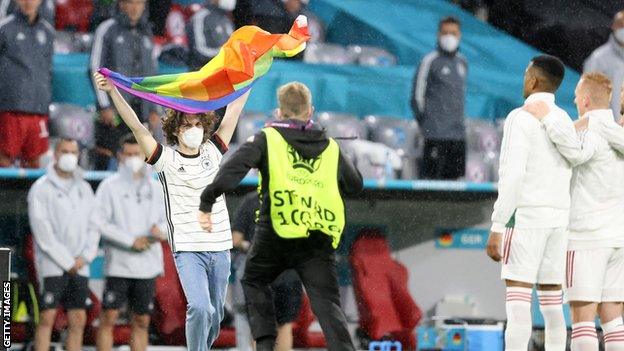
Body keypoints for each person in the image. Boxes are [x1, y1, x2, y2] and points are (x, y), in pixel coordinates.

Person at [198, 82, 363, 351]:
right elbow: (355, 185)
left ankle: (263, 345)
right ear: (310, 111)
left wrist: (207, 201)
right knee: (328, 308)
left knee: (253, 280)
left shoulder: (267, 138)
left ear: (279, 112)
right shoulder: (331, 146)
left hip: (276, 233)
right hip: (316, 238)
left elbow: (232, 171)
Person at [93, 71, 250, 351]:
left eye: (197, 124)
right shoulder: (165, 159)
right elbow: (137, 127)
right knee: (199, 308)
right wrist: (113, 91)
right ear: (176, 129)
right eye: (187, 124)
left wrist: (252, 73)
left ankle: (204, 342)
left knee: (215, 314)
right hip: (188, 249)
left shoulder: (212, 153)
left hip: (220, 247)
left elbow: (234, 108)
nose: (193, 129)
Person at [486, 55, 585, 351]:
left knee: (518, 301)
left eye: (526, 73)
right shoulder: (562, 119)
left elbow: (512, 175)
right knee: (553, 304)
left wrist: (497, 225)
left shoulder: (521, 116)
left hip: (526, 219)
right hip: (558, 221)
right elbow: (577, 158)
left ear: (533, 80)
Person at [523, 72, 624, 351]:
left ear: (587, 100)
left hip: (586, 239)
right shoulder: (617, 131)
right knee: (613, 319)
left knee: (582, 320)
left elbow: (577, 152)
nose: (575, 100)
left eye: (578, 96)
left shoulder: (592, 130)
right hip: (618, 239)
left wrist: (549, 117)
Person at [94, 133, 167, 351]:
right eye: (128, 154)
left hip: (148, 265)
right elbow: (100, 223)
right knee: (109, 317)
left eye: (137, 154)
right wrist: (130, 241)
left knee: (142, 321)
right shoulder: (108, 187)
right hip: (119, 265)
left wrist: (159, 231)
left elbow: (170, 220)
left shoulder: (157, 188)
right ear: (120, 156)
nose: (133, 158)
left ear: (145, 156)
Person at [28, 138, 100, 351]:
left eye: (73, 152)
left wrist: (84, 257)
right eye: (65, 151)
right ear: (55, 154)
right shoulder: (40, 189)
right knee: (47, 317)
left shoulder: (85, 188)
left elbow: (94, 226)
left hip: (80, 263)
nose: (69, 155)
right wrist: (67, 261)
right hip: (52, 263)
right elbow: (43, 232)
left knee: (78, 318)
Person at [90, 0, 160, 170]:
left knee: (140, 159)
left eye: (140, 3)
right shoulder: (107, 29)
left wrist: (154, 108)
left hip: (140, 109)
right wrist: (105, 105)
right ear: (122, 4)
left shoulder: (146, 33)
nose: (135, 8)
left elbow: (152, 74)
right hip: (114, 109)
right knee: (107, 157)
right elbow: (94, 67)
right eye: (131, 3)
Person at [231, 192, 303, 351]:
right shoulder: (297, 200)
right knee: (284, 327)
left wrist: (249, 247)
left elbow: (235, 239)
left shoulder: (251, 201)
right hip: (288, 274)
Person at [411, 16, 467, 180]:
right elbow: (416, 98)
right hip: (434, 135)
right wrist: (427, 124)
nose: (449, 36)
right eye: (445, 32)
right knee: (432, 185)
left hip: (458, 136)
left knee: (456, 186)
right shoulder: (429, 61)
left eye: (453, 33)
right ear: (438, 34)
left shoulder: (462, 62)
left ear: (459, 36)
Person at [0, 0, 54, 168]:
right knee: (4, 160)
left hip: (39, 109)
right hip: (10, 109)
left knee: (35, 163)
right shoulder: (4, 28)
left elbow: (47, 69)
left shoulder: (47, 31)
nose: (28, 2)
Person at [583, 10, 624, 117]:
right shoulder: (599, 58)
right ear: (614, 26)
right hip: (610, 128)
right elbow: (588, 96)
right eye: (621, 25)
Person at [186, 0, 235, 71]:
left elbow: (231, 44)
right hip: (201, 73)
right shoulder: (201, 17)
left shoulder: (225, 18)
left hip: (222, 71)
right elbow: (198, 50)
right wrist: (223, 55)